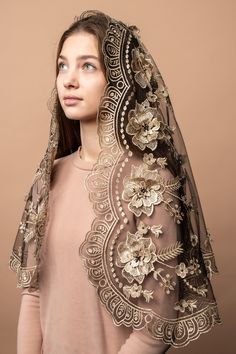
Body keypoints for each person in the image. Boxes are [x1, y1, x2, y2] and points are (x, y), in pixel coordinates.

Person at [9, 10, 221, 354]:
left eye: (87, 66)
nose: (69, 80)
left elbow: (157, 328)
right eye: (63, 65)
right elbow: (34, 294)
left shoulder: (151, 185)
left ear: (119, 78)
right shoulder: (49, 177)